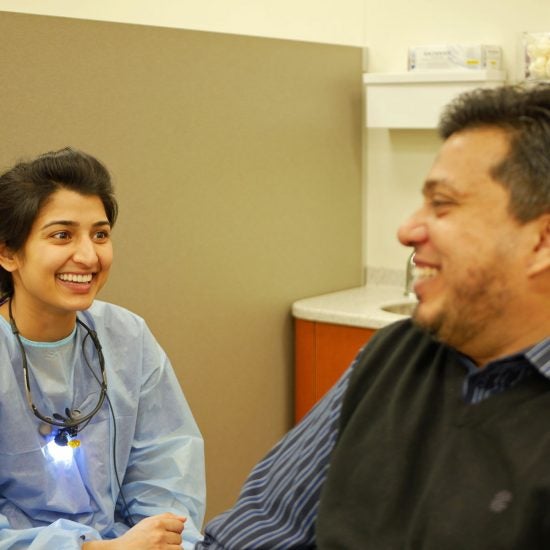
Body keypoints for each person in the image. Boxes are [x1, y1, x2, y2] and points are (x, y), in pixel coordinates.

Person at [196, 82, 550, 549]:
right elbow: (265, 525)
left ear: (541, 242)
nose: (407, 229)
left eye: (442, 205)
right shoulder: (393, 356)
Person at [0, 148, 206, 549]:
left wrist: (164, 538)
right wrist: (88, 548)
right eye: (62, 235)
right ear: (8, 252)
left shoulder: (126, 335)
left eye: (100, 234)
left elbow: (167, 467)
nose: (89, 255)